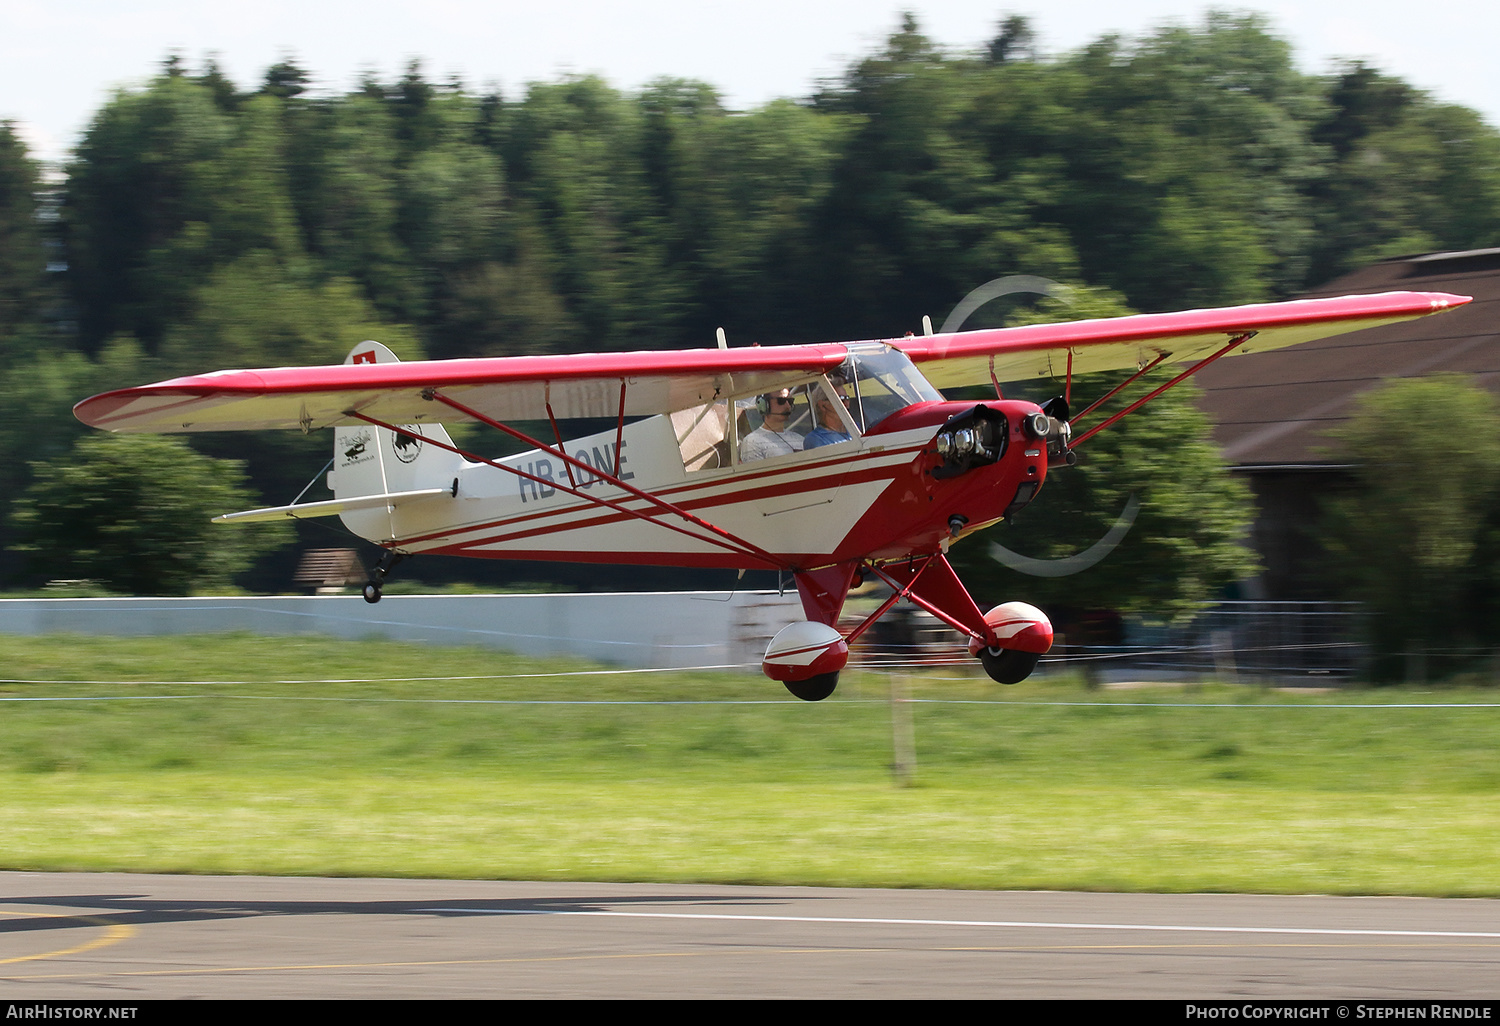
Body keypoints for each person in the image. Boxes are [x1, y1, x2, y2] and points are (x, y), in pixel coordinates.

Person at [740, 389, 805, 461]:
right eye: (781, 401)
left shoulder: (799, 439)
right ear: (764, 404)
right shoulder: (752, 442)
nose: (788, 406)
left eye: (790, 401)